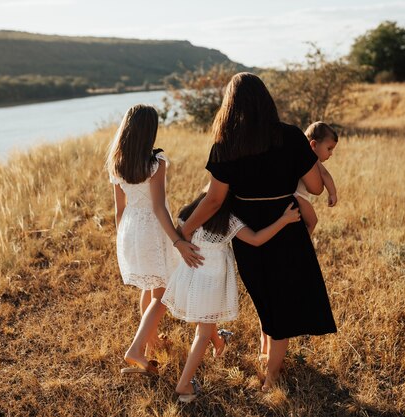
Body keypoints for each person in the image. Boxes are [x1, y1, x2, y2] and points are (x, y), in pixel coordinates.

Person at [178, 73, 337, 392]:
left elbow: (214, 200)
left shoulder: (226, 144)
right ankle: (272, 369)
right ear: (266, 100)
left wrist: (185, 230)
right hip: (287, 223)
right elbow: (317, 188)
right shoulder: (291, 136)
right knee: (282, 301)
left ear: (230, 105)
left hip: (249, 229)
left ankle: (272, 375)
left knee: (265, 297)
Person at [162, 192, 301, 402]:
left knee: (205, 323)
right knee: (202, 333)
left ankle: (219, 343)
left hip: (190, 278)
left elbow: (181, 233)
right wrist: (284, 220)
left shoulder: (189, 212)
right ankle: (184, 384)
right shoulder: (229, 221)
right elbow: (255, 239)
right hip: (210, 281)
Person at [107, 104, 201, 374]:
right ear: (150, 131)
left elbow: (119, 210)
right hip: (152, 230)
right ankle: (136, 349)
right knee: (162, 293)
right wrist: (177, 241)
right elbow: (159, 207)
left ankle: (151, 344)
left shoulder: (117, 163)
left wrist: (122, 239)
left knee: (149, 289)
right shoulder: (155, 162)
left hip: (130, 230)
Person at [295, 121, 339, 234]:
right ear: (313, 145)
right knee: (312, 221)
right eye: (329, 149)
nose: (331, 153)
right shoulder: (311, 158)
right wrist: (332, 193)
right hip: (298, 196)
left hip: (295, 195)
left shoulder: (297, 153)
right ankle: (302, 243)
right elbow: (325, 175)